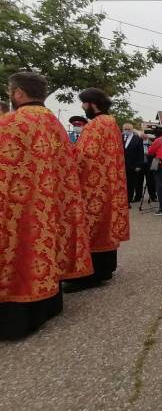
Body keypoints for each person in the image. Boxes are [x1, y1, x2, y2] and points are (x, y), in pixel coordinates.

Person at [0, 72, 92, 339]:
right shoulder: (55, 123)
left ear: (18, 93)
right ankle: (47, 305)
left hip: (19, 206)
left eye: (10, 91)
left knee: (20, 253)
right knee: (43, 251)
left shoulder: (12, 122)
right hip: (49, 205)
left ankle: (18, 318)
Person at [65, 87, 130, 292]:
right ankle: (105, 269)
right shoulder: (110, 123)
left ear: (92, 103)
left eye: (84, 103)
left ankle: (90, 276)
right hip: (107, 183)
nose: (83, 107)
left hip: (94, 186)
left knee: (93, 228)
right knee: (104, 226)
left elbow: (84, 156)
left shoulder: (97, 125)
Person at [122, 122, 144, 205]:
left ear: (132, 130)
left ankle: (128, 201)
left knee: (131, 184)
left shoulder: (137, 139)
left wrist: (139, 165)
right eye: (125, 129)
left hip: (133, 165)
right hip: (121, 165)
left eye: (129, 129)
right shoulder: (119, 137)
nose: (127, 131)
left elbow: (140, 153)